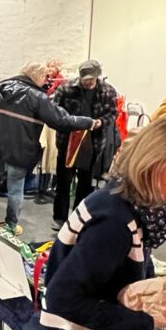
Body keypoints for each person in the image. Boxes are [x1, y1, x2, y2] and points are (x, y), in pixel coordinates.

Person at [22, 115, 166, 330]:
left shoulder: (128, 204)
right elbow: (65, 299)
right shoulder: (117, 222)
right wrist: (149, 321)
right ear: (156, 161)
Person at [0, 62, 96, 235]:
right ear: (37, 76)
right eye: (44, 77)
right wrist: (88, 122)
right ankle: (11, 225)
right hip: (20, 149)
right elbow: (60, 120)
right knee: (15, 187)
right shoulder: (38, 97)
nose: (45, 81)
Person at [52, 60, 118, 230]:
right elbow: (54, 111)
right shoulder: (66, 88)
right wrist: (70, 123)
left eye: (91, 78)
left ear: (98, 76)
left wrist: (100, 123)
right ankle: (59, 219)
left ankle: (77, 219)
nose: (88, 82)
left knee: (85, 182)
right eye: (85, 78)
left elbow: (112, 114)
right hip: (67, 140)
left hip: (93, 142)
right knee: (63, 181)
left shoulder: (108, 91)